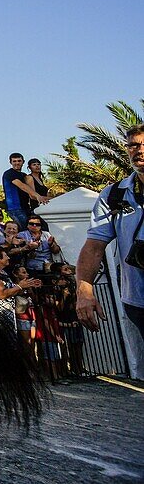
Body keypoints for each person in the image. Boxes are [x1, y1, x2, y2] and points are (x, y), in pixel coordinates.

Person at [76, 124, 144, 348]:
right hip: (137, 300)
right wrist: (84, 289)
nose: (140, 150)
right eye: (133, 145)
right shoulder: (114, 194)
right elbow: (94, 246)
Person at [2, 153, 48, 226]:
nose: (17, 163)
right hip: (15, 208)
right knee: (24, 230)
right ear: (10, 162)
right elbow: (22, 186)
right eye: (14, 161)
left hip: (25, 207)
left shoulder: (23, 175)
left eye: (19, 161)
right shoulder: (9, 173)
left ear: (23, 162)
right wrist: (38, 196)